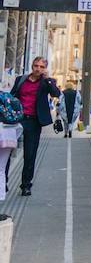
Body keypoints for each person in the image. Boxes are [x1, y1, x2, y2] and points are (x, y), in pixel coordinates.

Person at [9, 57, 60, 196]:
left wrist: (48, 79)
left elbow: (56, 93)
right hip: (17, 120)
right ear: (32, 66)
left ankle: (26, 185)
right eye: (36, 65)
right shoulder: (21, 79)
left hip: (34, 122)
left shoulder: (46, 82)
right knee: (7, 151)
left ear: (45, 69)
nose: (38, 69)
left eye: (42, 67)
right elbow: (12, 96)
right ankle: (4, 182)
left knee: (30, 155)